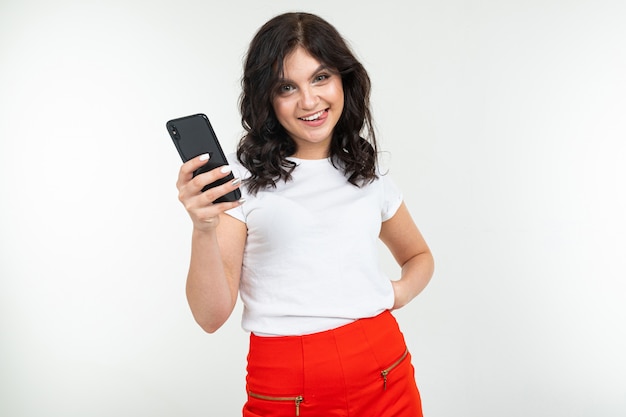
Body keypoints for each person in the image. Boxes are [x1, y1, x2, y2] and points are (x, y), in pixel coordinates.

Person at [176, 12, 434, 417]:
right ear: (266, 98)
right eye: (286, 87)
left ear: (343, 80)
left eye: (320, 77)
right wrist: (202, 228)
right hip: (289, 389)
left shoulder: (367, 173)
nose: (310, 101)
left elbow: (419, 257)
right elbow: (210, 317)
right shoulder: (237, 183)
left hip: (387, 372)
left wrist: (395, 294)